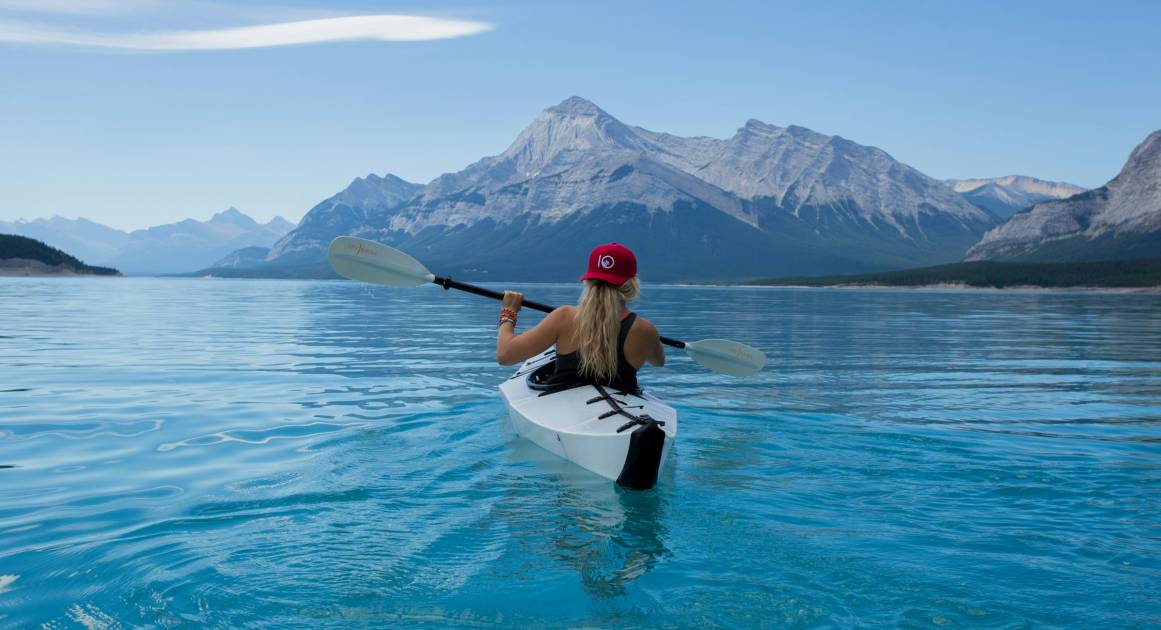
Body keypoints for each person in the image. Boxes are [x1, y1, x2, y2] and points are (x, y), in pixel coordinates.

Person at [495, 243, 665, 392]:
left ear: (588, 281)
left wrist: (508, 312)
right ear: (632, 285)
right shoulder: (645, 330)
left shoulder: (564, 317)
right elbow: (658, 362)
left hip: (561, 404)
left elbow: (505, 355)